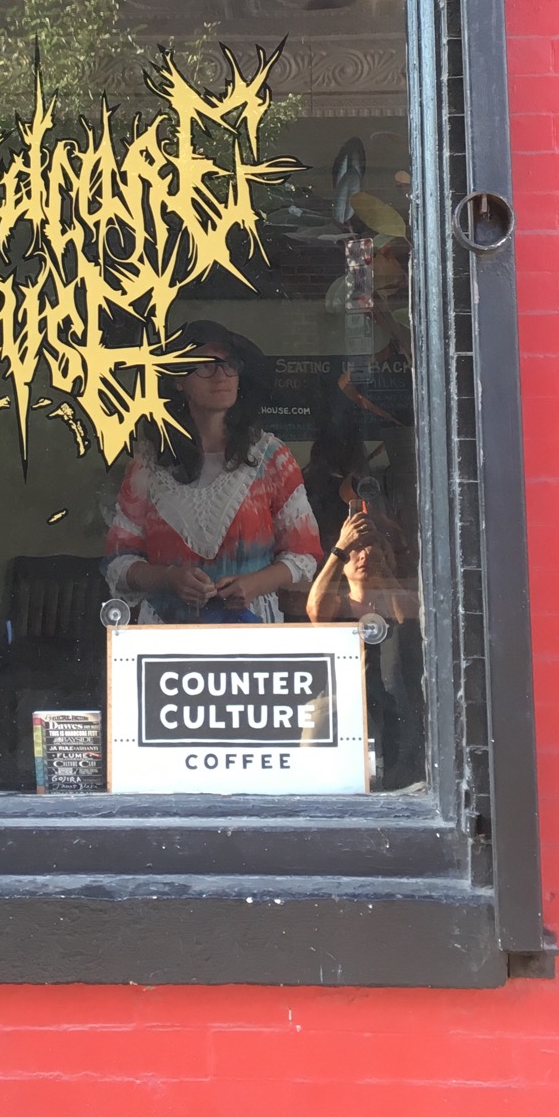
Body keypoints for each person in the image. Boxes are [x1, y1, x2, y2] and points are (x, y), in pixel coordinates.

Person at [104, 320, 323, 623]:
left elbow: (304, 554)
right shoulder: (149, 464)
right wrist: (169, 578)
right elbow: (119, 562)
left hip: (250, 632)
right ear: (177, 380)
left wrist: (254, 584)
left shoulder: (270, 458)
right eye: (205, 365)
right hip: (167, 637)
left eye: (230, 365)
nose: (221, 375)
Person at [306, 502, 425, 789]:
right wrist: (340, 548)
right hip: (345, 709)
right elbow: (316, 610)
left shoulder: (396, 603)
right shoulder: (339, 606)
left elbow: (409, 619)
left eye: (369, 548)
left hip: (399, 716)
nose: (362, 556)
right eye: (355, 551)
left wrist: (382, 570)